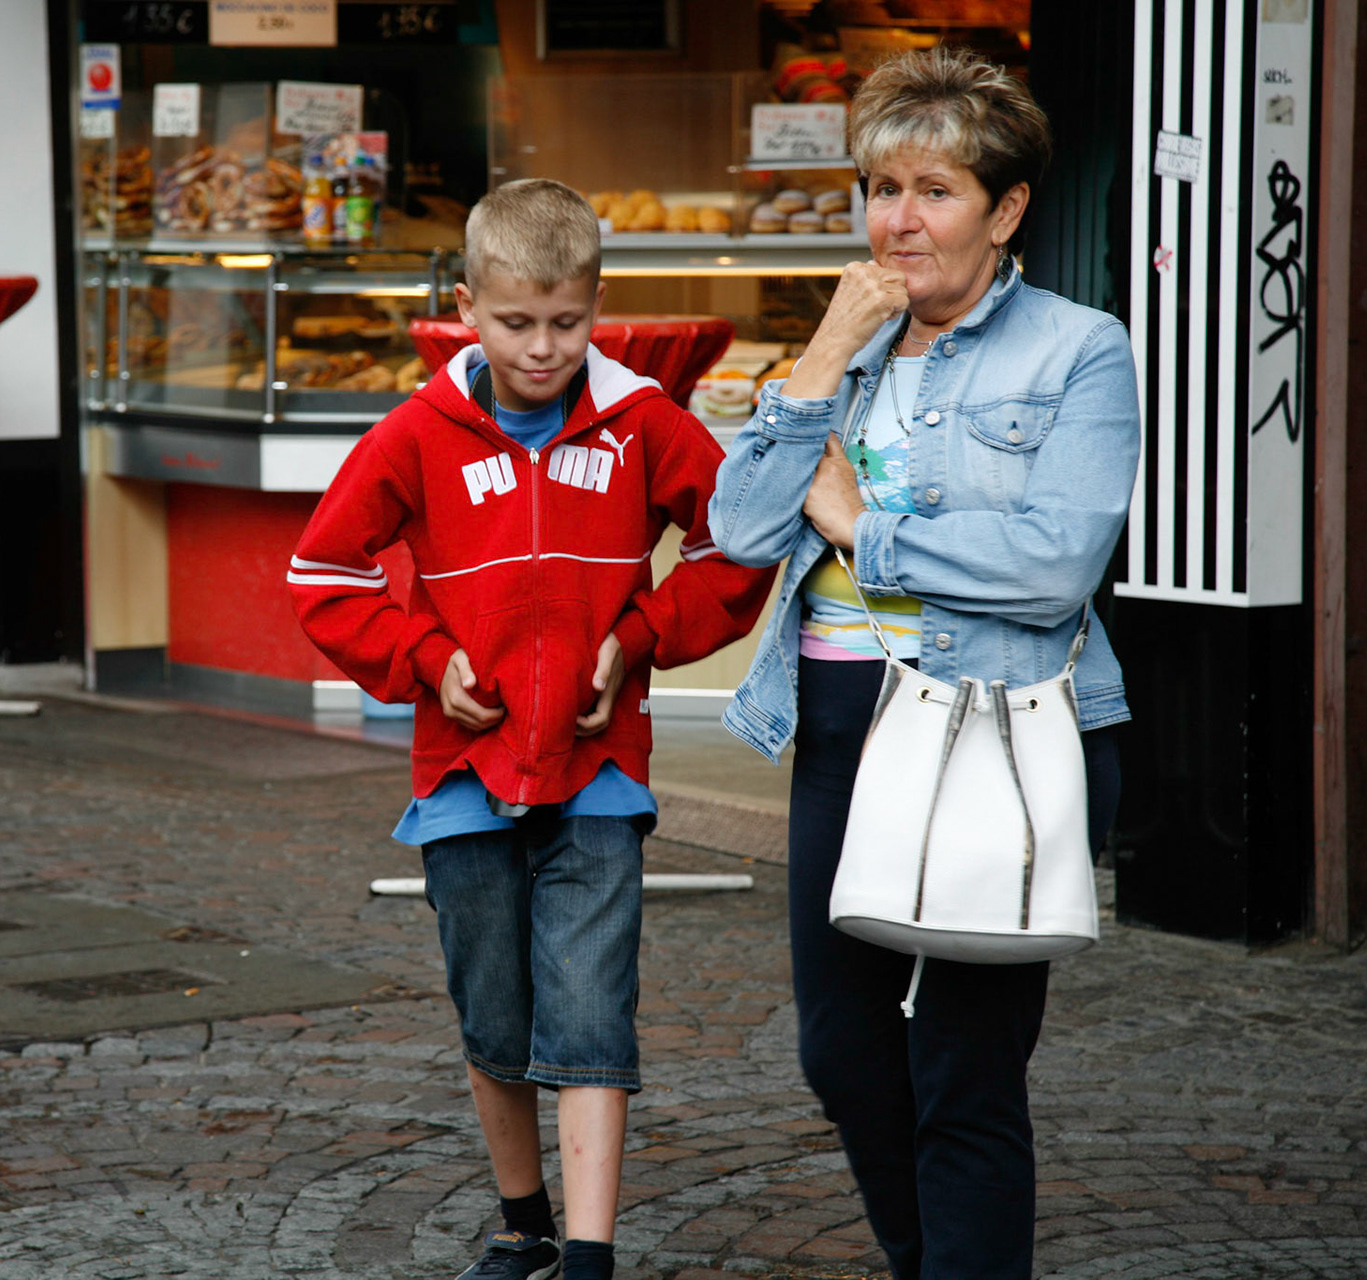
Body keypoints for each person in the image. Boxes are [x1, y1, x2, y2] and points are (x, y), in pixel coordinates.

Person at [291, 179, 774, 1280]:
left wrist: (639, 637)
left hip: (600, 772)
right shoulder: (415, 433)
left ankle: (590, 1256)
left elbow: (736, 545)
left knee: (593, 1012)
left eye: (566, 321)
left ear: (597, 305)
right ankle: (524, 1225)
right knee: (494, 1014)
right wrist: (427, 661)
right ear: (467, 307)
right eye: (516, 322)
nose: (544, 347)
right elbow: (323, 573)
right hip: (460, 775)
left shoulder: (644, 422)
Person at [709, 47, 1140, 1280]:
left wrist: (864, 531)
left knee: (965, 1067)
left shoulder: (1077, 348)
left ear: (1006, 211)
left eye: (935, 191)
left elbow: (1055, 563)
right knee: (841, 1054)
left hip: (1003, 720)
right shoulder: (846, 349)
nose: (898, 220)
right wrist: (820, 356)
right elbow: (738, 528)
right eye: (880, 188)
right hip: (843, 724)